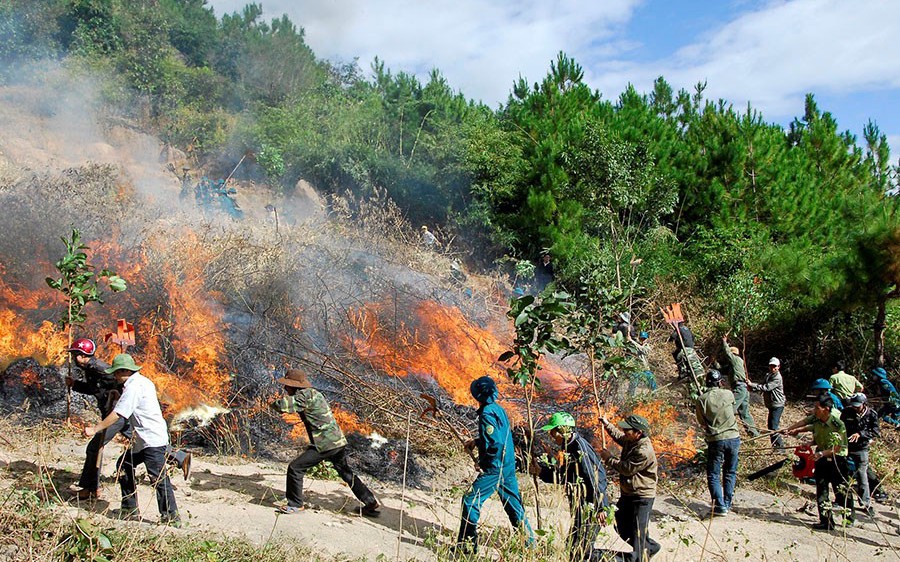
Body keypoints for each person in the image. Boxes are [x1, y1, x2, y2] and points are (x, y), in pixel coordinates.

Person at [67, 339, 190, 501]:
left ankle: (90, 489)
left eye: (75, 354)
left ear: (82, 356)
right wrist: (75, 385)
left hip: (117, 414)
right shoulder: (91, 369)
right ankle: (179, 456)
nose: (74, 358)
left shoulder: (102, 369)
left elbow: (122, 384)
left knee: (94, 448)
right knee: (145, 441)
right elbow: (95, 389)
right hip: (120, 414)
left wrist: (115, 400)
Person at [83, 354, 180, 525]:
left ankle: (171, 517)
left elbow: (119, 414)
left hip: (152, 439)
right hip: (142, 439)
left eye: (116, 373)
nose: (114, 377)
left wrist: (95, 429)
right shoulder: (141, 381)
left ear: (124, 371)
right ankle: (129, 508)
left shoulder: (134, 387)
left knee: (157, 477)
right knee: (124, 465)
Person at [270, 369, 379, 516]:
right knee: (345, 472)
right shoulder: (314, 393)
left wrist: (268, 402)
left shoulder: (304, 396)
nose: (285, 388)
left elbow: (281, 406)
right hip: (337, 441)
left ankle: (295, 505)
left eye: (287, 385)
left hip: (325, 443)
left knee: (295, 468)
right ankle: (370, 502)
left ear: (294, 386)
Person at [456, 375, 534, 555]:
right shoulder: (498, 410)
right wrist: (477, 442)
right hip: (507, 466)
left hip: (495, 467)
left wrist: (484, 463)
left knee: (470, 500)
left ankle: (467, 548)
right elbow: (499, 437)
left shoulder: (486, 414)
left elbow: (496, 444)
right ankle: (529, 546)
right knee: (514, 506)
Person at [533, 412, 609, 562]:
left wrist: (601, 506)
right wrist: (542, 472)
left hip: (591, 504)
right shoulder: (569, 446)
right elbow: (565, 475)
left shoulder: (579, 448)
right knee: (573, 545)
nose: (551, 435)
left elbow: (594, 476)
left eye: (553, 431)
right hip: (582, 503)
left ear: (562, 430)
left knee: (583, 549)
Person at [785, 396, 854, 530]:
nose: (814, 410)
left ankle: (849, 517)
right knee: (821, 489)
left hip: (837, 460)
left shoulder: (838, 425)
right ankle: (826, 521)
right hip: (821, 458)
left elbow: (838, 447)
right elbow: (805, 424)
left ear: (826, 409)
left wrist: (821, 453)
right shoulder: (817, 419)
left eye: (817, 408)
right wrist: (792, 431)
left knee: (841, 490)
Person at [599, 414, 660, 562]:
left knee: (638, 532)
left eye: (628, 430)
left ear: (638, 433)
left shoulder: (643, 451)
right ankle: (650, 547)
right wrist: (607, 424)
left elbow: (626, 469)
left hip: (642, 497)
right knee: (620, 524)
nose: (625, 432)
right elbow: (620, 437)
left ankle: (638, 557)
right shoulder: (631, 439)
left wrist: (608, 458)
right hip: (628, 494)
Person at [695, 370, 741, 517]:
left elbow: (702, 422)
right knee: (730, 472)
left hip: (716, 439)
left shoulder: (701, 399)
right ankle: (727, 503)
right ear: (720, 382)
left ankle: (720, 506)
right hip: (734, 437)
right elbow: (732, 409)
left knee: (714, 474)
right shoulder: (728, 394)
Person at [841, 393, 880, 515]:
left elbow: (875, 431)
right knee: (842, 475)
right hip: (846, 447)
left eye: (857, 406)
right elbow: (840, 426)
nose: (855, 408)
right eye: (853, 405)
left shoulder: (872, 414)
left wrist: (860, 434)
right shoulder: (847, 412)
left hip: (861, 449)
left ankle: (865, 503)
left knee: (862, 476)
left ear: (864, 404)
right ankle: (842, 501)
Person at [721, 336, 759, 436]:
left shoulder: (736, 360)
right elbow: (722, 370)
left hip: (740, 388)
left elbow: (727, 353)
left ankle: (724, 430)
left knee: (730, 408)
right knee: (744, 412)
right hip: (744, 389)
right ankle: (754, 433)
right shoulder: (734, 365)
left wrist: (724, 342)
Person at [749, 357, 785, 448]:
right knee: (771, 427)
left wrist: (752, 384)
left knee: (773, 427)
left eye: (775, 366)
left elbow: (766, 387)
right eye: (771, 366)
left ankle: (780, 448)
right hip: (772, 404)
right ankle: (775, 446)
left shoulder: (777, 377)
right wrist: (752, 387)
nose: (773, 368)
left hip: (777, 404)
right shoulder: (768, 375)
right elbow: (762, 386)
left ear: (778, 367)